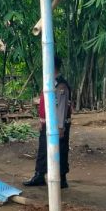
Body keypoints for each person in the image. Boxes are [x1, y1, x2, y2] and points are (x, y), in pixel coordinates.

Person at [23, 56, 72, 189]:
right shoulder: (50, 83)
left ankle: (61, 178)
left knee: (60, 150)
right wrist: (42, 121)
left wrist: (60, 128)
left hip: (57, 125)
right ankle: (40, 175)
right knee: (43, 149)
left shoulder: (61, 85)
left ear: (52, 66)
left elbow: (62, 107)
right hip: (48, 124)